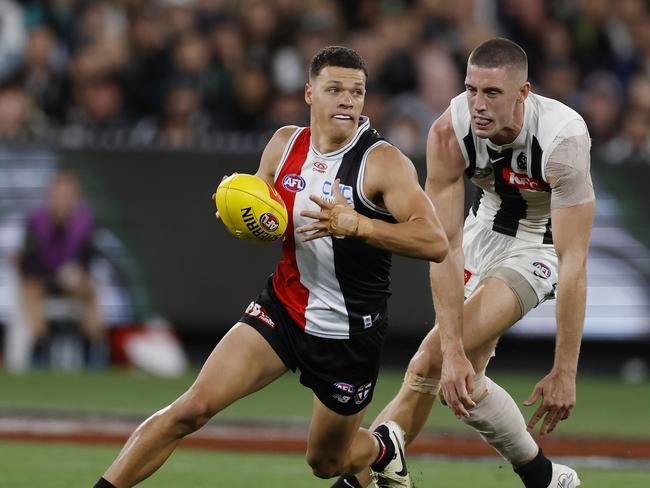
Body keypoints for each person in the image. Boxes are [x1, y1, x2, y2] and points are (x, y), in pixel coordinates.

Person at [93, 46, 449, 488]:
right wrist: (234, 207)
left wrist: (360, 225)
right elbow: (264, 211)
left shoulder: (382, 162)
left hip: (346, 333)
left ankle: (382, 448)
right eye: (334, 89)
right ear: (308, 93)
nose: (347, 100)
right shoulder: (283, 144)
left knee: (324, 462)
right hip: (281, 307)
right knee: (191, 408)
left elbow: (435, 241)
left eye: (356, 92)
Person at [332, 37, 594, 488]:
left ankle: (354, 484)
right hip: (479, 233)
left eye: (492, 93)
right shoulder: (448, 132)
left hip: (540, 246)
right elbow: (444, 246)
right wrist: (455, 352)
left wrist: (565, 370)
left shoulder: (563, 142)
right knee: (458, 375)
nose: (478, 104)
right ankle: (545, 478)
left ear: (523, 93)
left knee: (427, 362)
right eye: (471, 90)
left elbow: (573, 262)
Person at [18, 170, 106, 366]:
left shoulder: (85, 223)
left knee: (90, 291)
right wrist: (49, 276)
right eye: (59, 195)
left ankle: (93, 350)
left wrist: (76, 273)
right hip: (43, 280)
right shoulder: (36, 221)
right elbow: (27, 262)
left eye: (68, 195)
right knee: (31, 289)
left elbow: (89, 259)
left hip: (72, 282)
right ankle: (40, 347)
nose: (63, 201)